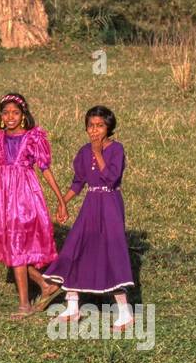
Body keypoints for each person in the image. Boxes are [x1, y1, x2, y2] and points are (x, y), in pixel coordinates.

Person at [0, 93, 67, 317]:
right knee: (12, 247)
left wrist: (61, 200)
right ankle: (46, 285)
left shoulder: (32, 138)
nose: (10, 117)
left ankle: (24, 305)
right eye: (6, 112)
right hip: (2, 197)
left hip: (24, 196)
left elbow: (45, 169)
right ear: (0, 115)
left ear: (23, 115)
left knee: (17, 247)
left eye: (15, 113)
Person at [42, 106, 135, 330]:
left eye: (100, 126)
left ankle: (125, 312)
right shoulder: (84, 152)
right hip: (90, 205)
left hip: (110, 205)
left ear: (109, 128)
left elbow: (110, 178)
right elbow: (78, 182)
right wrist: (63, 202)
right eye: (91, 125)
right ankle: (72, 306)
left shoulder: (116, 149)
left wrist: (98, 152)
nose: (95, 130)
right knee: (75, 249)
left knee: (110, 252)